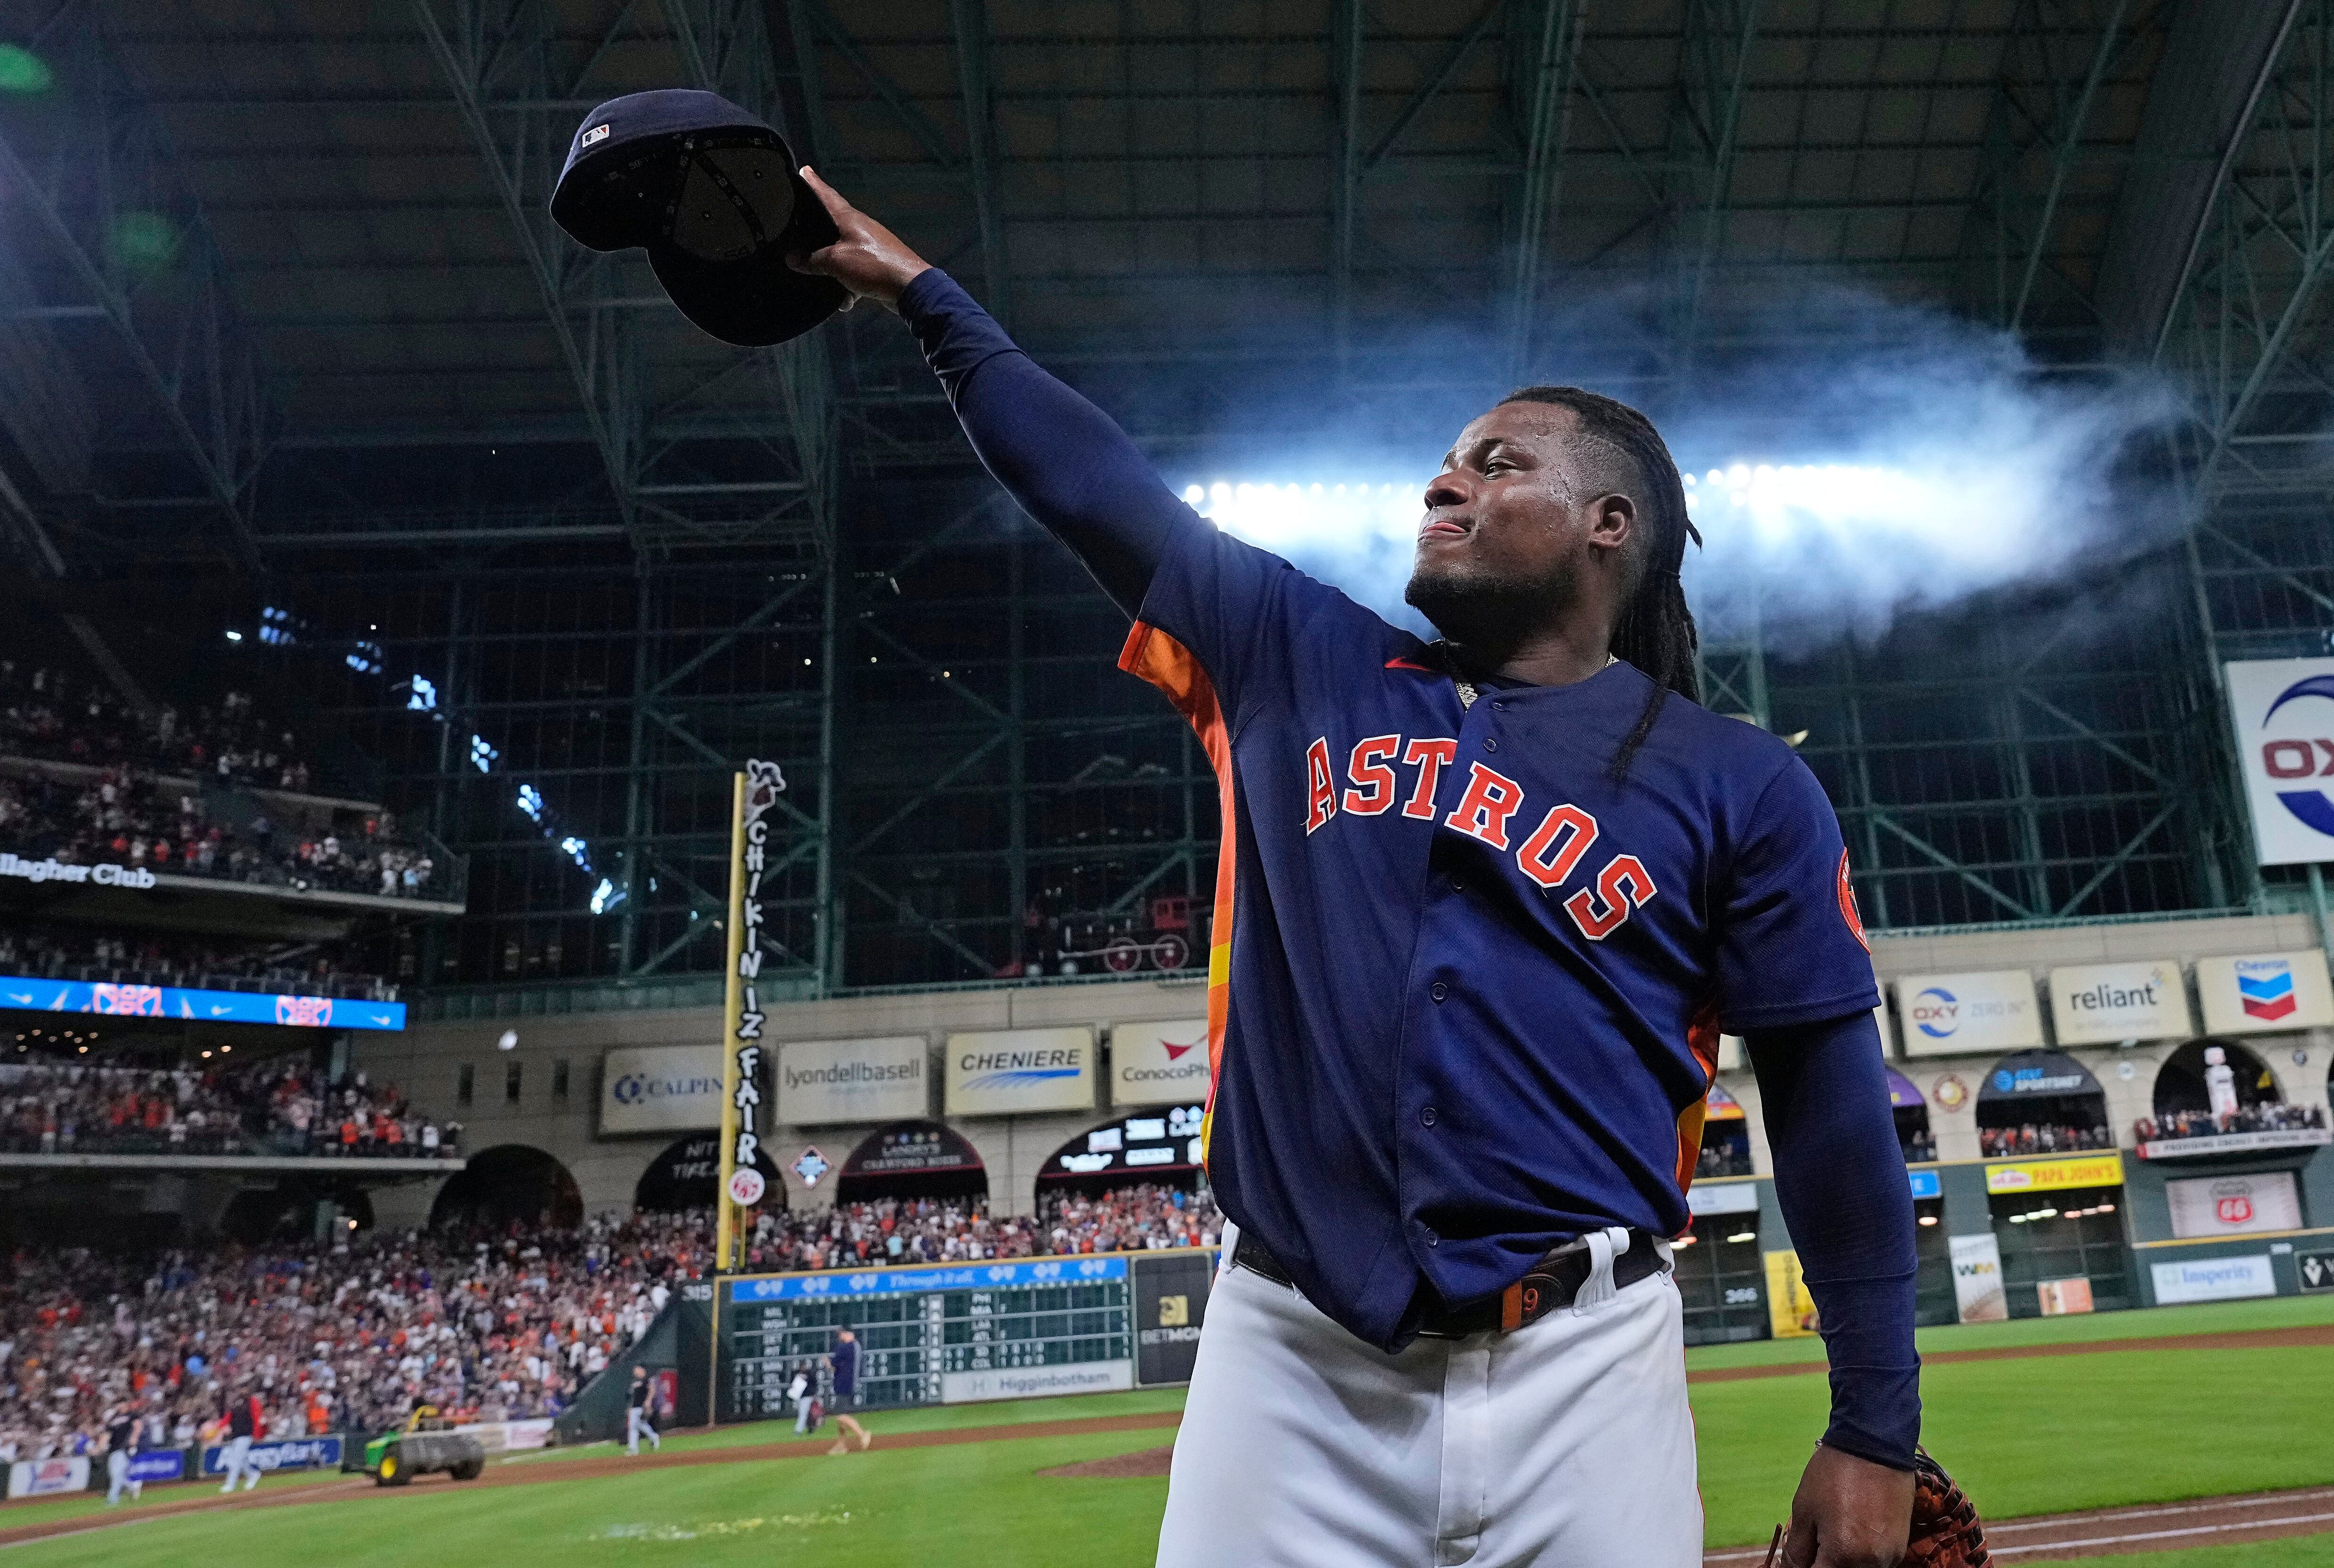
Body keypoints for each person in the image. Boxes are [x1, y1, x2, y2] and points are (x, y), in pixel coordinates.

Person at [791, 173, 1920, 1567]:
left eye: (1499, 462)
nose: (1448, 477)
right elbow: (1091, 486)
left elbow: (1826, 1107)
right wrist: (926, 301)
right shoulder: (1295, 657)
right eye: (1448, 459)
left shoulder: (1737, 779)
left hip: (1590, 1369)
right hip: (1289, 1363)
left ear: (1607, 525)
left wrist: (1875, 1422)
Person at [822, 1330, 870, 1455]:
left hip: (844, 1384)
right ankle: (841, 1445)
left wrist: (827, 1361)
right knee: (840, 1418)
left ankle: (862, 1434)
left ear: (848, 1333)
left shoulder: (844, 1347)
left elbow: (833, 1366)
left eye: (841, 1334)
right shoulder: (857, 1346)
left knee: (840, 1415)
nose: (840, 1336)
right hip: (852, 1383)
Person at [215, 1398, 259, 1493]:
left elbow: (256, 1419)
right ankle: (253, 1474)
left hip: (245, 1437)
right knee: (240, 1460)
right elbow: (224, 1423)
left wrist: (256, 1435)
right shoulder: (234, 1413)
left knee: (235, 1461)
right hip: (237, 1438)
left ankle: (231, 1485)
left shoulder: (247, 1411)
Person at [104, 1403, 142, 1507]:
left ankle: (113, 1499)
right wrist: (98, 1448)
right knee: (115, 1475)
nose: (118, 1406)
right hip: (113, 1450)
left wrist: (134, 1438)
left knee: (116, 1475)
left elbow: (138, 1426)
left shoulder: (132, 1415)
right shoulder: (113, 1419)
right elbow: (107, 1435)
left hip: (124, 1449)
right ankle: (132, 1487)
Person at [624, 1363, 661, 1456]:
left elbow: (652, 1390)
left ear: (641, 1369)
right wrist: (629, 1408)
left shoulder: (647, 1379)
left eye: (637, 1370)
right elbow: (633, 1396)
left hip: (642, 1407)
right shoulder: (634, 1381)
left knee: (635, 1426)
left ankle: (635, 1448)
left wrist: (648, 1402)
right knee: (635, 1426)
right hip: (634, 1407)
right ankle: (652, 1437)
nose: (635, 1372)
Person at [787, 1363, 817, 1436]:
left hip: (807, 1396)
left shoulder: (810, 1373)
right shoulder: (796, 1373)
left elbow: (814, 1384)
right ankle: (810, 1427)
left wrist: (813, 1395)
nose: (803, 1368)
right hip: (800, 1396)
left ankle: (799, 1430)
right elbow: (792, 1384)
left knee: (803, 1414)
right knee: (806, 1414)